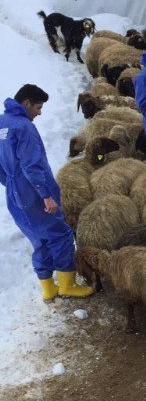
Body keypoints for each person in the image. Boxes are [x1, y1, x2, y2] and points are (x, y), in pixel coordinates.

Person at [0, 85, 93, 300]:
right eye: (38, 107)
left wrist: (12, 185)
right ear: (26, 104)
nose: (40, 112)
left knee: (38, 239)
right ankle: (68, 285)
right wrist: (45, 196)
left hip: (16, 192)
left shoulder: (2, 122)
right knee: (60, 234)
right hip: (33, 190)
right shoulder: (23, 127)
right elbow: (31, 166)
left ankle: (48, 288)